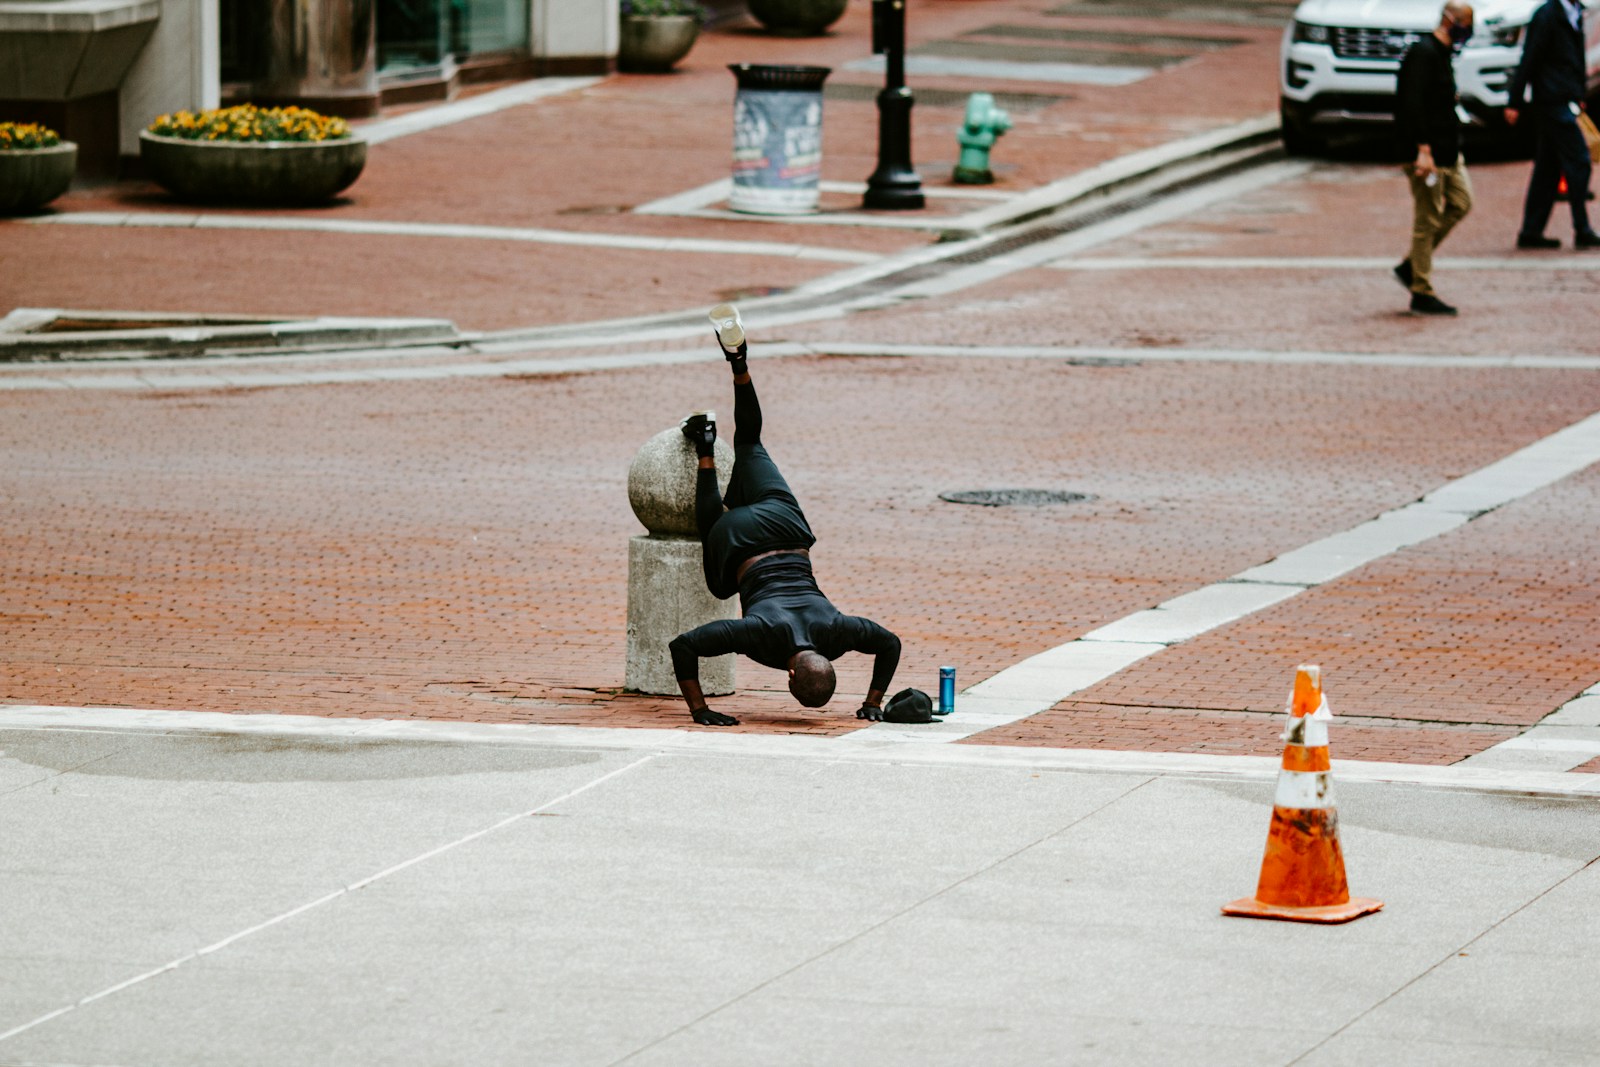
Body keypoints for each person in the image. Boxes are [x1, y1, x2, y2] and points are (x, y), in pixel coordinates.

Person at [668, 305, 901, 728]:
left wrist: (874, 701)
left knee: (751, 441)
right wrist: (700, 710)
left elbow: (890, 644)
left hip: (785, 523)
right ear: (790, 675)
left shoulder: (840, 632)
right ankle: (704, 444)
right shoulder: (758, 637)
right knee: (718, 572)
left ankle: (738, 361)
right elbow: (683, 645)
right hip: (740, 541)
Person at [1393, 1, 1476, 316]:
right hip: (1428, 153)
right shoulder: (1423, 55)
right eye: (1465, 23)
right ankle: (1421, 289)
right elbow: (1410, 105)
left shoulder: (1443, 55)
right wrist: (1422, 149)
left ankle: (1412, 264)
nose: (1467, 30)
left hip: (1448, 150)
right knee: (1426, 220)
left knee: (1461, 202)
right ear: (1449, 20)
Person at [1506, 0, 1599, 250]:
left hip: (1564, 96)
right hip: (1551, 99)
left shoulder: (1575, 12)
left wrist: (1579, 92)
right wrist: (1514, 100)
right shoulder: (1547, 15)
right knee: (1579, 160)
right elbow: (1530, 56)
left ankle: (1531, 231)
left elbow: (1576, 57)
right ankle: (1582, 228)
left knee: (1548, 166)